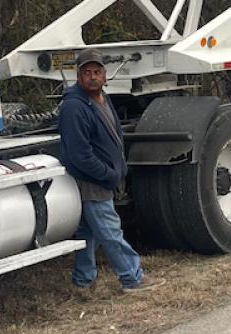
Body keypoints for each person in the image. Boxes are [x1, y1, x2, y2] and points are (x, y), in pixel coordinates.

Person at [58, 48, 157, 291]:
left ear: (105, 75)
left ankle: (83, 280)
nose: (92, 76)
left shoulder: (102, 99)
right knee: (110, 231)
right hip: (90, 182)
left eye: (97, 72)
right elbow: (78, 155)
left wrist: (119, 167)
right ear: (78, 76)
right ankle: (132, 278)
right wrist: (109, 174)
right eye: (87, 72)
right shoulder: (74, 107)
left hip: (101, 178)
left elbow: (114, 136)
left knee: (88, 232)